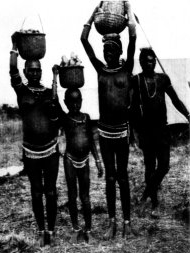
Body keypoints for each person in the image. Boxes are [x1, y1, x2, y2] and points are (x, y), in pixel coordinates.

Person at [81, 1, 137, 239]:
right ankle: (112, 222)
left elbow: (133, 38)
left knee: (123, 177)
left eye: (112, 50)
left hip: (122, 132)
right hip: (104, 133)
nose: (108, 54)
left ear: (119, 51)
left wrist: (129, 9)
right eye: (105, 51)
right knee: (110, 177)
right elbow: (84, 41)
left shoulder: (127, 70)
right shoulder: (101, 71)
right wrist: (93, 14)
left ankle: (127, 222)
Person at [9, 32, 61, 246]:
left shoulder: (49, 93)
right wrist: (14, 46)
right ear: (25, 71)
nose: (34, 74)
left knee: (50, 191)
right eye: (30, 70)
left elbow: (57, 118)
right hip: (31, 151)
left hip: (50, 149)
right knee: (36, 191)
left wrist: (56, 78)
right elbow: (12, 70)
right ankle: (41, 231)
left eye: (37, 70)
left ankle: (52, 230)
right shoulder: (22, 92)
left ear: (41, 71)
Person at [130, 47, 190, 217]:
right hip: (146, 130)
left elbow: (175, 99)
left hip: (162, 129)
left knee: (163, 166)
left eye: (152, 60)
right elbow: (133, 108)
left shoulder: (163, 79)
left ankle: (145, 195)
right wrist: (134, 132)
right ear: (141, 63)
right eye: (147, 61)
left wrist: (187, 114)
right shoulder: (137, 80)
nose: (150, 63)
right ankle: (154, 203)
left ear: (155, 62)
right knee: (149, 167)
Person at [52, 77, 103, 243]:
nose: (75, 105)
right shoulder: (65, 119)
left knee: (85, 196)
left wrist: (98, 160)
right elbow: (54, 99)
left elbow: (92, 141)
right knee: (72, 195)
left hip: (85, 160)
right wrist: (55, 77)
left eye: (77, 102)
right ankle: (75, 228)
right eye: (71, 102)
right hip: (70, 160)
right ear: (66, 103)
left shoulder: (86, 118)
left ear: (81, 101)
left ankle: (88, 229)